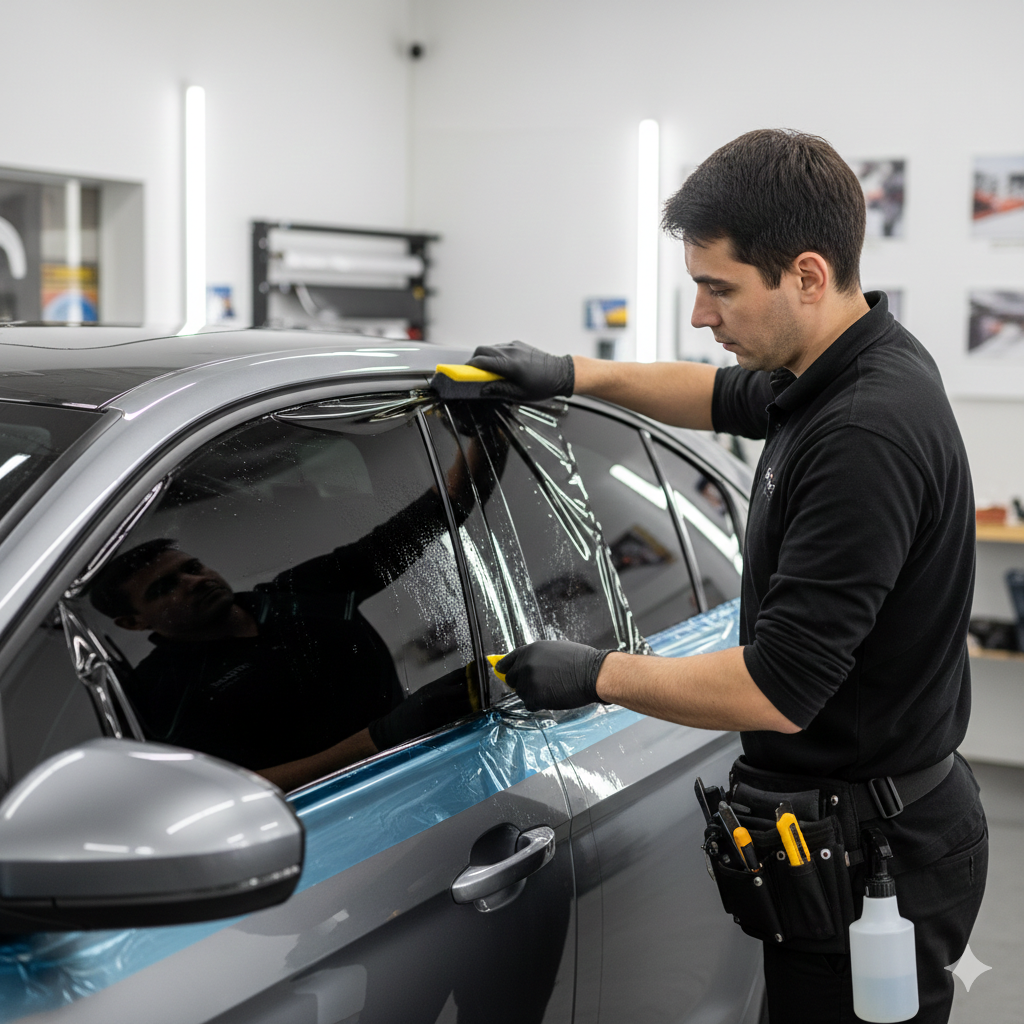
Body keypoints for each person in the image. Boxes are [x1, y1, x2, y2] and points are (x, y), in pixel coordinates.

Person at [471, 130, 987, 1024]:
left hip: (880, 856)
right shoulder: (831, 367)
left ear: (809, 275)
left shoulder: (864, 432)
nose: (705, 316)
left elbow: (781, 688)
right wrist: (571, 375)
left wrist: (595, 674)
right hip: (865, 819)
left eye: (720, 289)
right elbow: (713, 395)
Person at [84, 434, 497, 791]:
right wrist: (378, 740)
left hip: (439, 763)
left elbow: (440, 511)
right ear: (133, 622)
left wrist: (484, 427)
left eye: (191, 568)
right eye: (165, 588)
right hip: (324, 823)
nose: (193, 582)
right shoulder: (159, 693)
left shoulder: (297, 594)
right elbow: (225, 793)